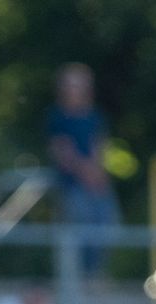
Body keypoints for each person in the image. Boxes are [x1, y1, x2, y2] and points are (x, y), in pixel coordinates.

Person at [47, 63, 118, 275]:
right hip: (72, 185)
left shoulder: (94, 116)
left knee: (108, 226)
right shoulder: (58, 117)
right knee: (78, 230)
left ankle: (95, 276)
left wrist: (97, 175)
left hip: (96, 185)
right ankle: (75, 279)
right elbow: (62, 152)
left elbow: (100, 148)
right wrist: (87, 172)